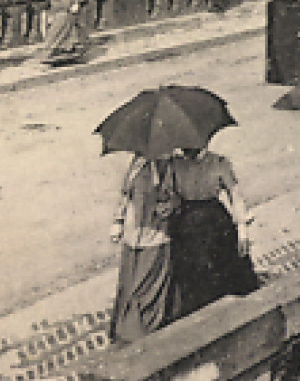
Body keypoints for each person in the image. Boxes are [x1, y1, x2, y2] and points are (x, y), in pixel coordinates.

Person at [165, 147, 260, 320]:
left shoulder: (219, 162)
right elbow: (171, 198)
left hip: (215, 224)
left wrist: (242, 232)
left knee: (227, 273)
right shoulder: (174, 165)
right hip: (188, 226)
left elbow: (236, 196)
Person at [109, 154, 177, 344]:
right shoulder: (136, 166)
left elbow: (177, 197)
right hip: (133, 238)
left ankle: (147, 332)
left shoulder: (170, 167)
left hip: (156, 237)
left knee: (149, 287)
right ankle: (128, 331)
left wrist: (169, 205)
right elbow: (125, 196)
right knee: (130, 286)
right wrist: (118, 221)